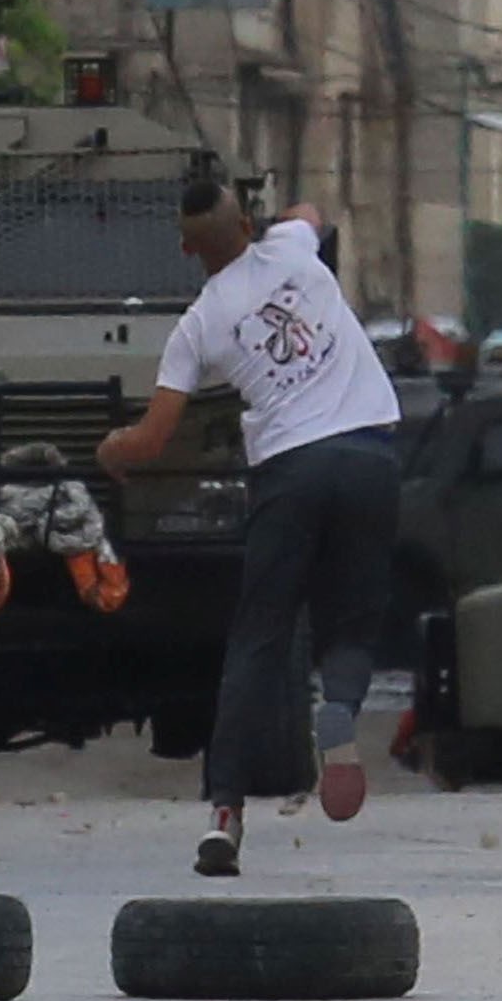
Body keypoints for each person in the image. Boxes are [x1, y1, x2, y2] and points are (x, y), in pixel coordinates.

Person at [97, 182, 403, 878]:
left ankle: (224, 816)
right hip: (368, 454)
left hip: (290, 472)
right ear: (245, 221)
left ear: (184, 248)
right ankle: (341, 708)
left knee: (257, 639)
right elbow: (310, 213)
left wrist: (111, 451)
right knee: (350, 626)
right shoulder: (291, 249)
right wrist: (273, 223)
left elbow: (153, 436)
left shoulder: (199, 323)